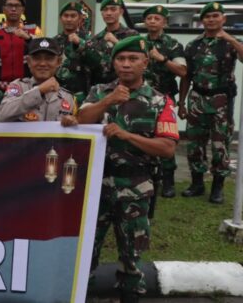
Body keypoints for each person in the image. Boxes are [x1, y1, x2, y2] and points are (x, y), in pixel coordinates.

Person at [69, 35, 178, 303]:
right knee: (85, 249)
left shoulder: (160, 101)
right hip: (95, 187)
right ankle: (82, 293)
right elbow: (80, 119)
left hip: (135, 188)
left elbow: (167, 148)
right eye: (120, 59)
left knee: (132, 254)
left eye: (133, 59)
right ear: (113, 63)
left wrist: (127, 135)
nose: (126, 64)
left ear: (145, 63)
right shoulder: (98, 92)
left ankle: (129, 294)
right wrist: (108, 101)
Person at [179, 2, 243, 203]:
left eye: (216, 15)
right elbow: (186, 76)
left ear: (223, 19)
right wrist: (181, 103)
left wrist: (231, 39)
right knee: (194, 143)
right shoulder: (193, 45)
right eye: (207, 16)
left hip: (221, 100)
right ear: (202, 20)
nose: (211, 19)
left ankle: (217, 187)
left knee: (220, 144)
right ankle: (197, 183)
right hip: (197, 98)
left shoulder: (230, 42)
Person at [141, 5, 186, 198]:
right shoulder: (139, 42)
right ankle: (147, 179)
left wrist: (162, 59)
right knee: (143, 136)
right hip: (142, 99)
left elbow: (182, 71)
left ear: (164, 22)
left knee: (166, 137)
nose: (152, 21)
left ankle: (168, 182)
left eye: (157, 18)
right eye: (149, 18)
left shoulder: (173, 45)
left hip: (165, 99)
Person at [0, 37, 77, 123]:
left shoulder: (67, 97)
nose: (42, 63)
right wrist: (39, 91)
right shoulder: (18, 87)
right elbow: (2, 115)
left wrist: (73, 123)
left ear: (58, 62)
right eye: (37, 58)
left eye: (49, 58)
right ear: (28, 61)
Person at [0, 0, 42, 89]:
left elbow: (41, 53)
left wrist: (28, 38)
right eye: (10, 5)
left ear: (23, 10)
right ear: (3, 9)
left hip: (25, 86)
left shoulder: (34, 29)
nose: (13, 9)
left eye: (17, 6)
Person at [85, 0, 138, 86]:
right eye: (105, 10)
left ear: (121, 12)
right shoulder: (96, 38)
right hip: (101, 88)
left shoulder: (132, 35)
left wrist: (117, 42)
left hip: (124, 85)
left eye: (113, 9)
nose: (109, 13)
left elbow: (136, 58)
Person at [53, 1, 92, 104]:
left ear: (80, 19)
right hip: (57, 94)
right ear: (60, 18)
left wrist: (81, 43)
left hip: (82, 95)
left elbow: (96, 63)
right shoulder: (54, 41)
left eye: (73, 16)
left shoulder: (89, 40)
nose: (69, 19)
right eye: (66, 16)